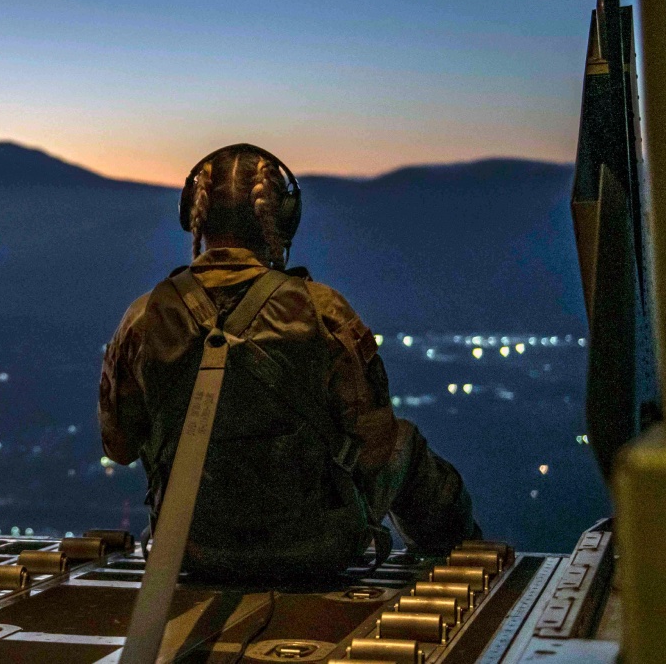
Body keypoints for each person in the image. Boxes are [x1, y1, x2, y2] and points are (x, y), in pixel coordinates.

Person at [99, 144, 478, 581]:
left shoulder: (144, 318)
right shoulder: (323, 311)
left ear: (193, 216)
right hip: (317, 549)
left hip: (190, 548)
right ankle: (463, 564)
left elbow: (120, 446)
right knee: (403, 445)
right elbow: (375, 447)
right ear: (284, 217)